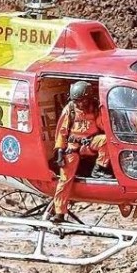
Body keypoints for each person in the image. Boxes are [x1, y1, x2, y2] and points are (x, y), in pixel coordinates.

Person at [50, 80, 108, 223]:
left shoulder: (95, 109)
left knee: (107, 140)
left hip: (90, 143)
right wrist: (59, 152)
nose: (79, 104)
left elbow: (104, 126)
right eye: (77, 101)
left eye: (82, 101)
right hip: (73, 148)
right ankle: (59, 212)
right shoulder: (69, 110)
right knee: (65, 179)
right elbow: (61, 133)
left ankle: (99, 169)